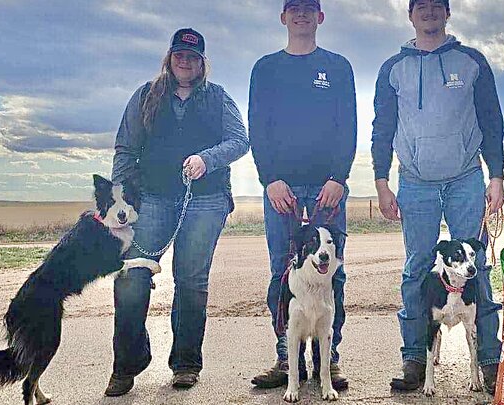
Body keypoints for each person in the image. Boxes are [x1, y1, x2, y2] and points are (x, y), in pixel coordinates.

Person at [104, 28, 249, 396]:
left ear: (203, 62)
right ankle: (127, 363)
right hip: (151, 199)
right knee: (131, 277)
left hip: (205, 200)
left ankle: (185, 363)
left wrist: (207, 159)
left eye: (192, 56)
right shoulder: (145, 96)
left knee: (190, 281)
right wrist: (121, 200)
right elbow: (125, 149)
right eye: (178, 55)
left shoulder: (218, 98)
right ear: (169, 58)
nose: (185, 61)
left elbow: (239, 140)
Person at [371, 0, 504, 394]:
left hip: (466, 178)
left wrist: (495, 175)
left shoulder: (472, 61)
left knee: (475, 267)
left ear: (448, 13)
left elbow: (492, 120)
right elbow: (383, 126)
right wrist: (381, 181)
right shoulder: (392, 68)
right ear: (410, 15)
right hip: (415, 182)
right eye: (421, 6)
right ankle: (414, 357)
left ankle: (488, 360)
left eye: (436, 5)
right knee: (415, 268)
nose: (429, 12)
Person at [248, 0, 357, 391]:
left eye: (309, 8)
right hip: (283, 191)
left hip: (327, 188)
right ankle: (285, 356)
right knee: (282, 270)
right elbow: (258, 128)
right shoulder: (266, 69)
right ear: (283, 17)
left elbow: (348, 126)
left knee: (332, 272)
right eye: (293, 8)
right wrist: (270, 179)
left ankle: (329, 359)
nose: (301, 14)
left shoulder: (338, 67)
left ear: (320, 17)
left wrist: (339, 179)